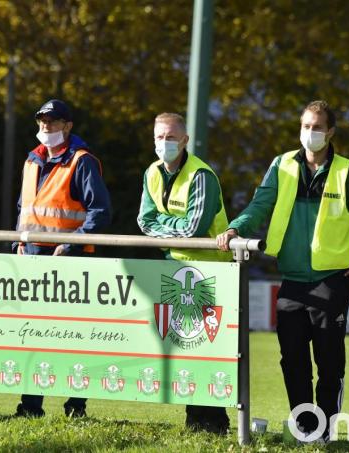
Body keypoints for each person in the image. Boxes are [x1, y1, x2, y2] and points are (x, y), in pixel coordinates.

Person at [216, 100, 349, 442]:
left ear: (330, 132)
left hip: (333, 280)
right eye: (305, 126)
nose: (309, 133)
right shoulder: (282, 165)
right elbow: (260, 206)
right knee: (292, 360)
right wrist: (237, 228)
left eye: (316, 127)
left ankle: (325, 431)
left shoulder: (348, 172)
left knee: (328, 362)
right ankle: (305, 428)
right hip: (293, 280)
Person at [13, 99, 112, 418]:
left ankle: (76, 407)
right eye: (42, 120)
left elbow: (100, 212)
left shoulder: (82, 161)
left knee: (73, 338)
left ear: (68, 126)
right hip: (32, 259)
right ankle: (30, 407)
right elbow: (23, 210)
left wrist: (71, 244)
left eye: (53, 121)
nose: (46, 126)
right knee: (32, 336)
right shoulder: (32, 160)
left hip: (69, 262)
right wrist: (18, 242)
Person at [136, 112, 233, 434]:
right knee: (184, 349)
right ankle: (195, 422)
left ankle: (214, 423)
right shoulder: (152, 172)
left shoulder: (201, 174)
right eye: (159, 137)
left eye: (171, 137)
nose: (165, 143)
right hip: (174, 266)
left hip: (211, 269)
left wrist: (165, 229)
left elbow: (196, 228)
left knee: (207, 349)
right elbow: (144, 221)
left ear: (185, 140)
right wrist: (172, 231)